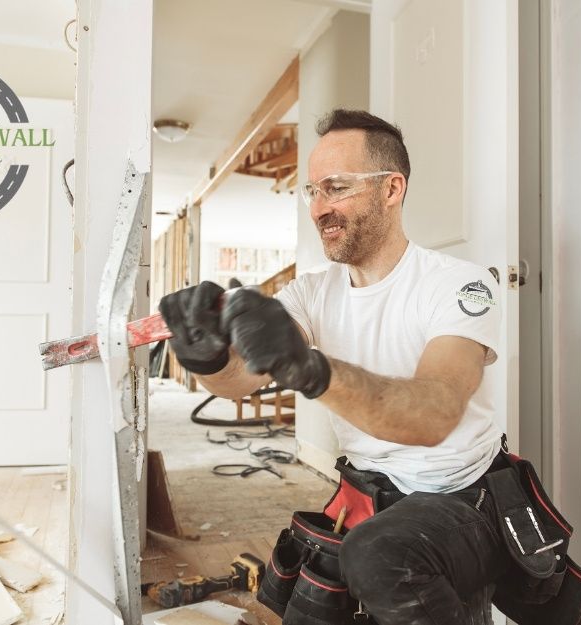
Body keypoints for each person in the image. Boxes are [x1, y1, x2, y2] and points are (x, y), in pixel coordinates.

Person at [158, 109, 520, 624]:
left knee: (378, 556)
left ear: (392, 189)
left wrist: (311, 369)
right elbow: (241, 380)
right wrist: (208, 355)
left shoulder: (460, 285)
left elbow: (433, 415)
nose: (318, 209)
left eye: (336, 188)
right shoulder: (311, 292)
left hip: (458, 500)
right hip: (365, 494)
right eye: (313, 191)